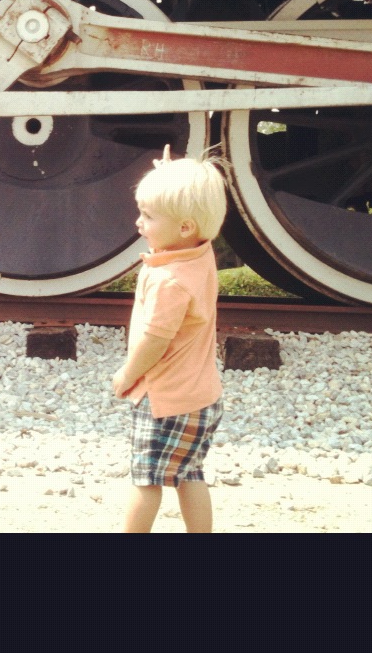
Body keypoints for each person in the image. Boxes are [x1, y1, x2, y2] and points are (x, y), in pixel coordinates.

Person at [111, 145, 228, 533]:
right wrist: (169, 178)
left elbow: (154, 341)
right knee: (189, 472)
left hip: (166, 400)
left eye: (148, 215)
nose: (139, 222)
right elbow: (189, 210)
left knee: (146, 481)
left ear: (185, 228)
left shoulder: (169, 282)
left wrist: (127, 375)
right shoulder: (198, 255)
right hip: (202, 397)